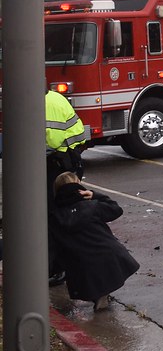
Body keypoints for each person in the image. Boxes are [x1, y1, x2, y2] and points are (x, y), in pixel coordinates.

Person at [49, 171, 140, 311]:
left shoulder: (54, 217)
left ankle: (97, 293)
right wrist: (95, 195)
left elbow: (55, 247)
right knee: (99, 255)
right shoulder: (92, 206)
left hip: (80, 263)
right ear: (78, 187)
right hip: (109, 254)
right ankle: (102, 293)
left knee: (78, 261)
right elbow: (116, 209)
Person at [46, 85, 88, 284]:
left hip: (56, 164)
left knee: (53, 217)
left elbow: (52, 141)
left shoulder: (42, 104)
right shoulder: (55, 98)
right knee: (65, 216)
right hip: (68, 161)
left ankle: (57, 269)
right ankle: (67, 266)